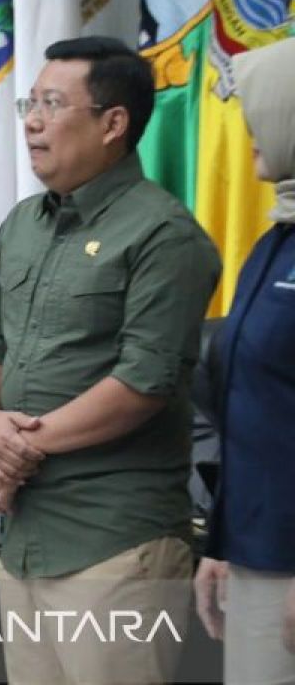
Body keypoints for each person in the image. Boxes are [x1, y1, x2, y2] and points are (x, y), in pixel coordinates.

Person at [0, 36, 221, 684]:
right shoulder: (23, 223)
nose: (32, 120)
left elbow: (144, 381)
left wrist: (20, 448)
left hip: (114, 542)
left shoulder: (164, 234)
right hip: (24, 537)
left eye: (52, 103)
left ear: (113, 123)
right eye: (30, 102)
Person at [194, 37, 295, 683]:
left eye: (262, 107)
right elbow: (248, 404)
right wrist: (222, 542)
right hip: (256, 560)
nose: (247, 126)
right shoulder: (274, 241)